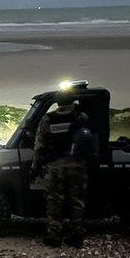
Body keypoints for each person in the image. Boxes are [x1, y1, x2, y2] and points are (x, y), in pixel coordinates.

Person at [30, 90, 97, 249]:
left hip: (55, 165)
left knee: (54, 200)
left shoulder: (48, 119)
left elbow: (39, 146)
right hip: (77, 165)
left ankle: (54, 236)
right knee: (77, 200)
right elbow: (91, 139)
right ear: (72, 101)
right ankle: (77, 235)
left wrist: (35, 167)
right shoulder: (81, 117)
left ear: (57, 102)